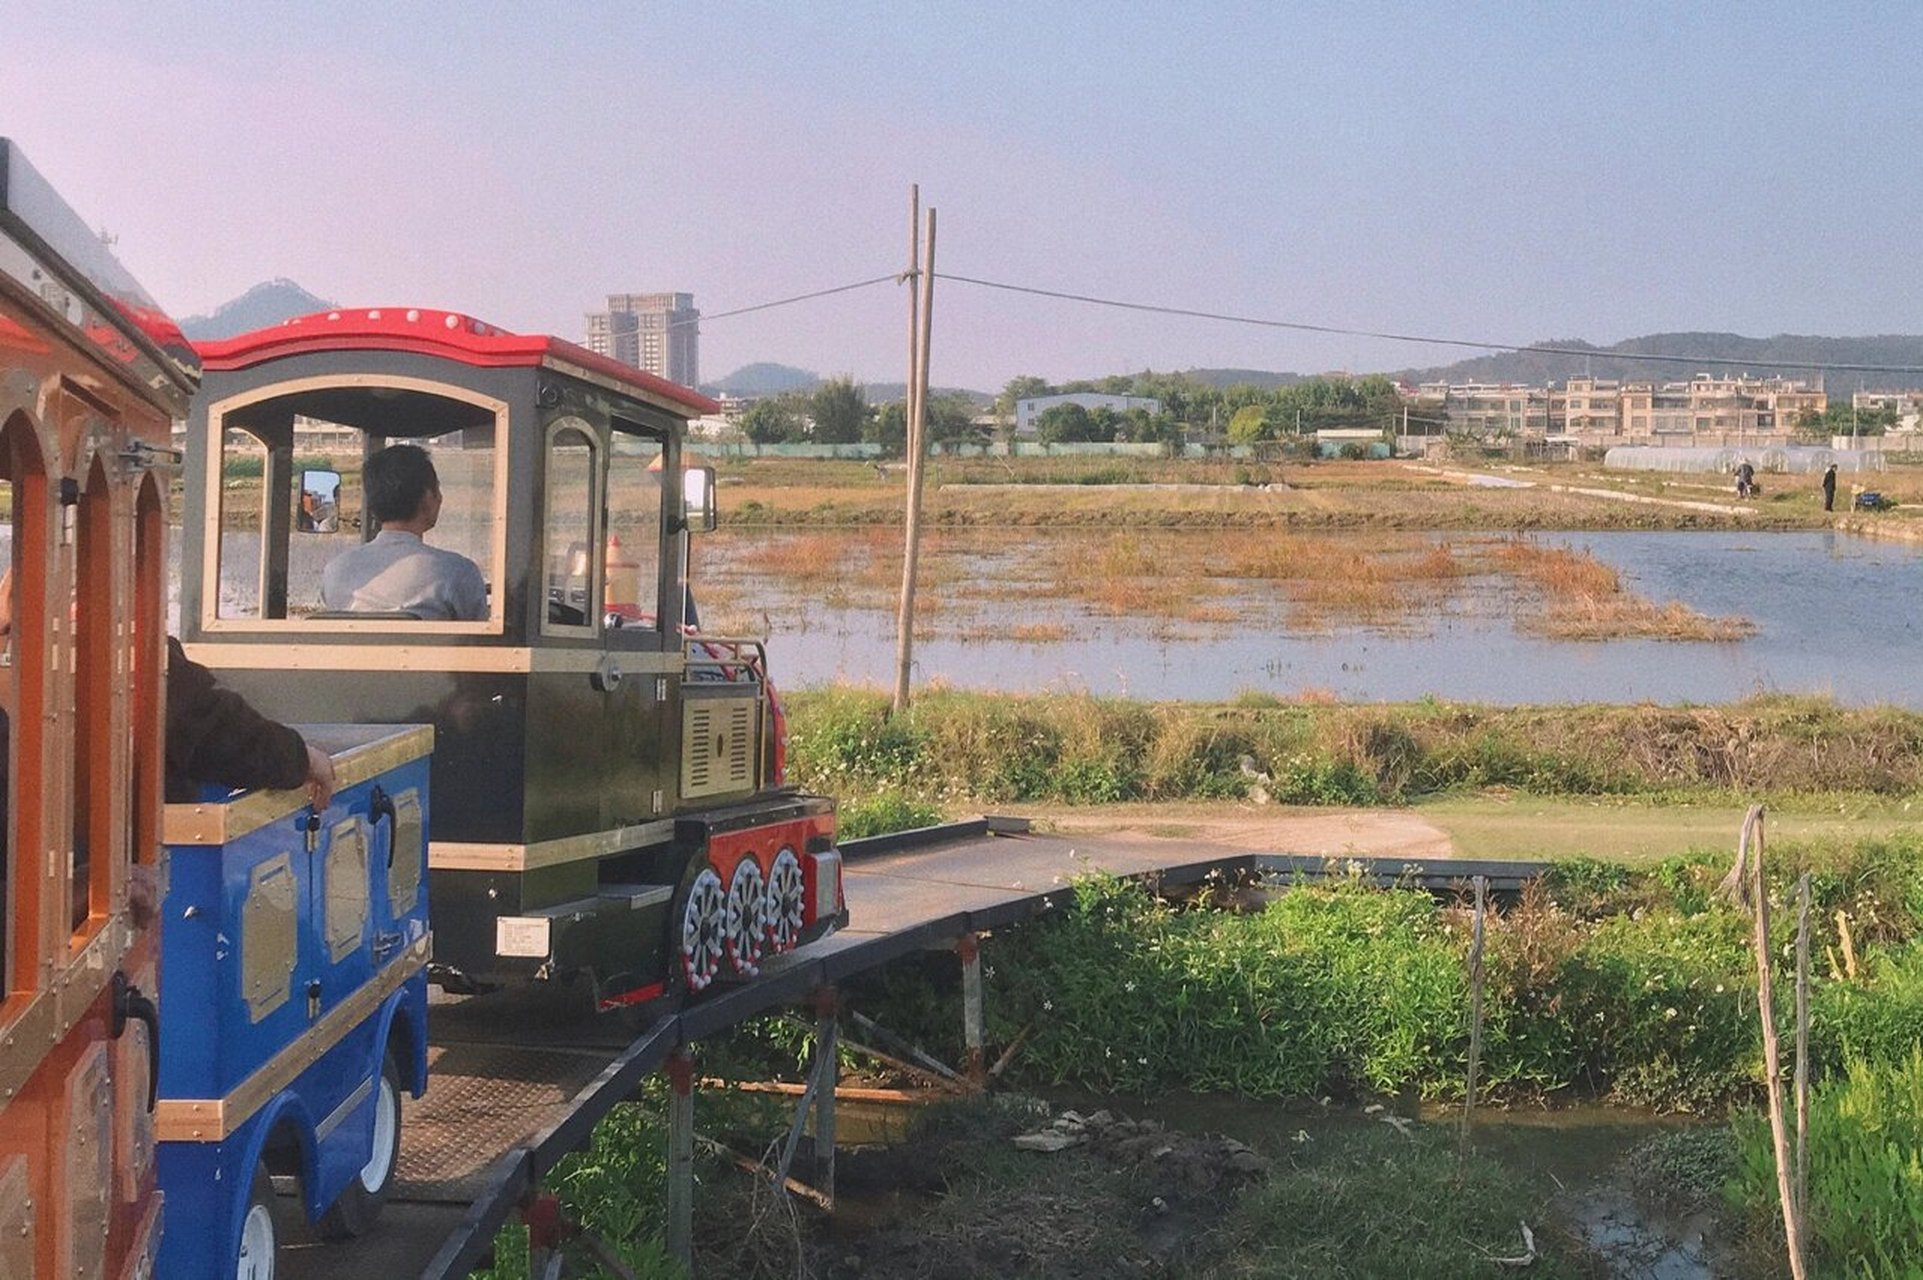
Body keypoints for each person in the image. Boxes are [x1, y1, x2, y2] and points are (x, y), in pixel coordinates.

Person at [321, 443, 487, 620]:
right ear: (427, 497)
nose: (440, 498)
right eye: (437, 489)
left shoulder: (334, 570)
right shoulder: (457, 571)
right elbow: (482, 641)